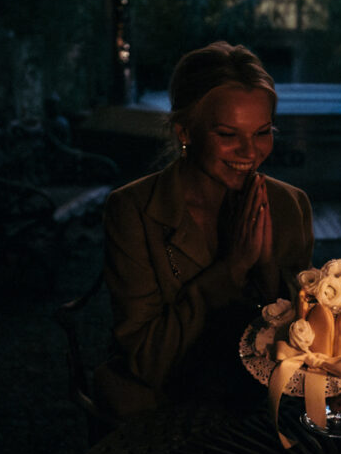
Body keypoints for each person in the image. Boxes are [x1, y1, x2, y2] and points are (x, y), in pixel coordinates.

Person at [97, 41, 314, 417]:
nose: (250, 152)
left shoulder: (289, 205)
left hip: (261, 401)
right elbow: (146, 358)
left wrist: (265, 270)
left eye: (262, 132)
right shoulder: (134, 211)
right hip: (168, 401)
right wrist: (229, 271)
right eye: (228, 135)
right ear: (185, 132)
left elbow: (306, 343)